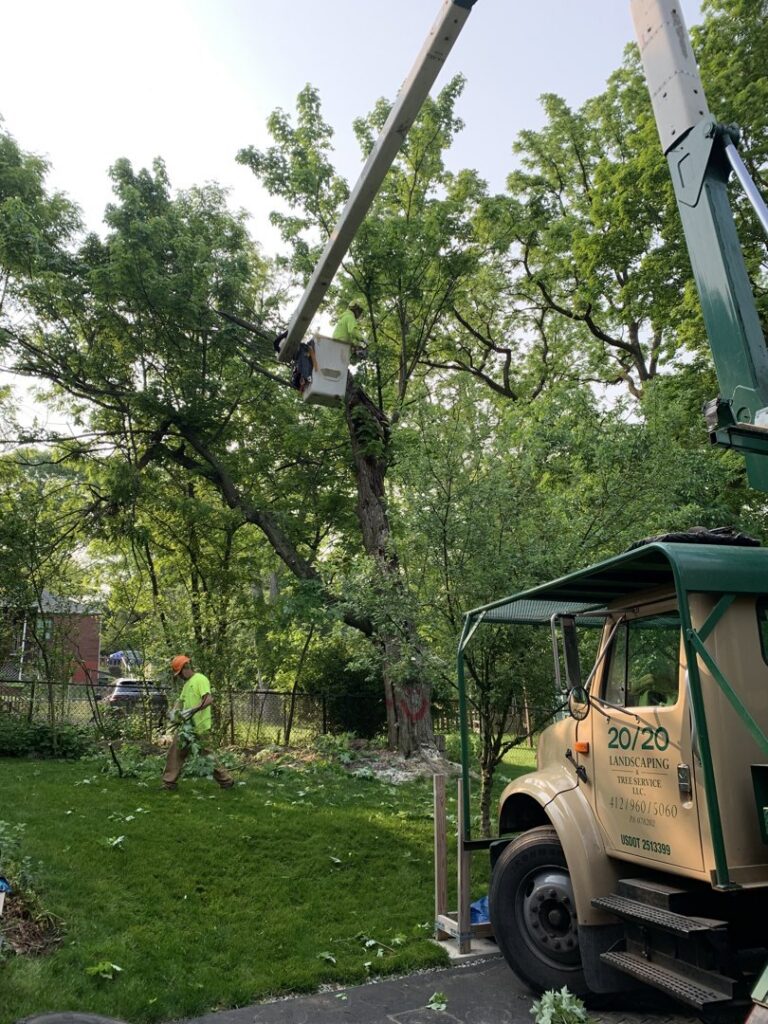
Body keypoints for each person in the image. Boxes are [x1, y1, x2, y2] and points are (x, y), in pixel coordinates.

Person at [161, 655, 234, 791]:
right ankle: (168, 783)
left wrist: (191, 711)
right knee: (175, 752)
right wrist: (174, 712)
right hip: (186, 727)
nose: (180, 677)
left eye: (179, 673)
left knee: (207, 756)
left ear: (185, 668)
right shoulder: (187, 684)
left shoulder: (200, 679)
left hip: (199, 727)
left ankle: (226, 780)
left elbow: (208, 699)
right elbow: (180, 701)